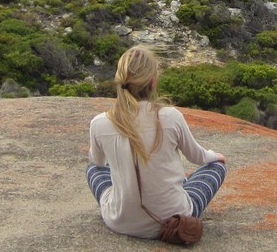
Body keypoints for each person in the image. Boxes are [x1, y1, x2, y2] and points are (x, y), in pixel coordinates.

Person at [86, 46, 228, 240]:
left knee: (93, 169)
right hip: (172, 221)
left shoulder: (100, 123)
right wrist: (215, 156)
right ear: (153, 81)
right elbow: (198, 157)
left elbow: (97, 162)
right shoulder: (170, 116)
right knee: (216, 166)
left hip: (119, 221)